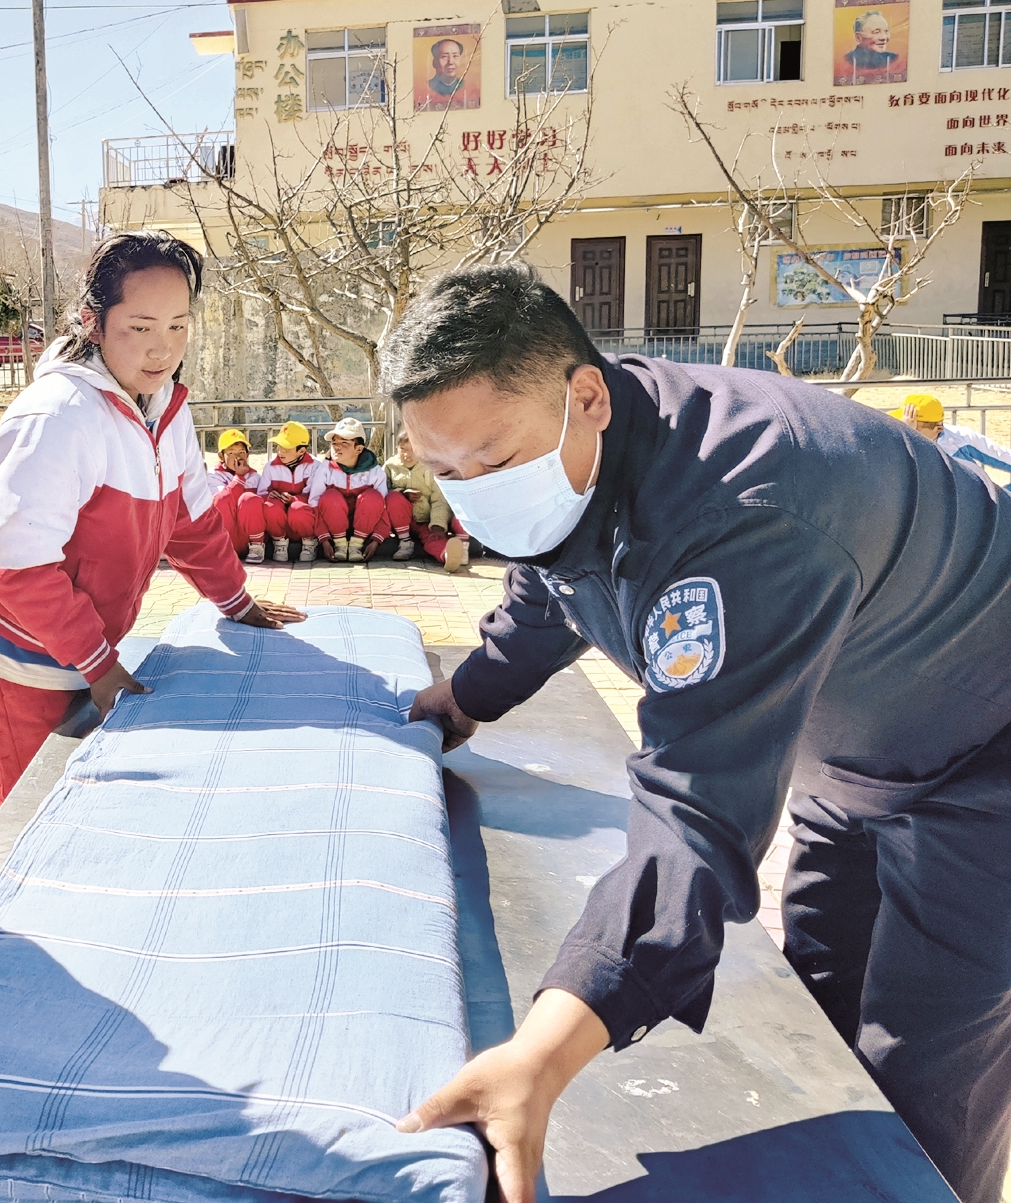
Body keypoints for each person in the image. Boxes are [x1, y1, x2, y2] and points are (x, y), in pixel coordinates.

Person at [386, 263, 1011, 1203]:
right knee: (821, 1016)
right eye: (445, 472)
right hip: (851, 746)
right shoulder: (587, 447)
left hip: (987, 757)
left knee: (921, 1077)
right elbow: (554, 578)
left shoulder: (744, 510)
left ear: (585, 396)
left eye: (492, 459)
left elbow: (694, 813)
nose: (475, 492)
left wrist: (541, 1057)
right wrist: (468, 697)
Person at [0, 230, 305, 801]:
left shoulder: (163, 405)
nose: (162, 350)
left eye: (178, 327)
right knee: (37, 813)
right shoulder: (55, 417)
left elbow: (189, 520)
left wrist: (236, 602)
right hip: (15, 654)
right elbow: (19, 568)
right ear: (93, 321)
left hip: (84, 648)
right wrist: (98, 663)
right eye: (140, 328)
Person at [307, 417, 408, 563]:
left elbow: (383, 508)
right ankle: (340, 545)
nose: (337, 447)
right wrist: (324, 540)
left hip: (364, 531)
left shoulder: (375, 472)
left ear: (358, 449)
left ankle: (356, 546)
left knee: (373, 496)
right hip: (334, 532)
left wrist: (376, 541)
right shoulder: (325, 469)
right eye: (334, 443)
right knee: (330, 496)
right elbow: (314, 504)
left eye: (344, 443)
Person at [385, 427, 468, 571]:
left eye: (412, 450)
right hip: (400, 521)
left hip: (426, 520)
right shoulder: (390, 466)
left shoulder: (429, 468)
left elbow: (439, 499)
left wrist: (437, 523)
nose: (407, 455)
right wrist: (402, 493)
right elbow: (382, 491)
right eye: (403, 449)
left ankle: (447, 556)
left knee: (433, 539)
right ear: (396, 448)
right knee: (394, 498)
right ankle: (405, 543)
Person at [897, 391, 1011, 482]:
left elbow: (999, 455)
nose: (908, 432)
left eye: (914, 429)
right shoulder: (902, 439)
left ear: (938, 429)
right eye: (904, 424)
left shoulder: (961, 439)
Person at [255, 420, 320, 562]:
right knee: (270, 506)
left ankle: (309, 541)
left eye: (287, 447)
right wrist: (269, 496)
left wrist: (293, 500)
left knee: (298, 508)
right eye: (279, 446)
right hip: (280, 522)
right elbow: (261, 494)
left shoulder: (315, 466)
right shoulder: (270, 467)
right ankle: (279, 542)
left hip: (301, 519)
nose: (280, 451)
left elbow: (315, 496)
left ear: (301, 451)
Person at [207, 428, 267, 563]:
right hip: (227, 536)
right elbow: (221, 501)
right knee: (222, 498)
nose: (237, 457)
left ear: (247, 454)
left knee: (249, 498)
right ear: (221, 456)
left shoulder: (255, 477)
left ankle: (257, 547)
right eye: (231, 453)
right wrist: (239, 478)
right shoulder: (213, 476)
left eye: (241, 452)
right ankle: (222, 549)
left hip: (249, 537)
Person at [841, 8, 899, 82]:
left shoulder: (893, 58)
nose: (884, 37)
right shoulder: (847, 60)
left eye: (886, 31)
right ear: (858, 37)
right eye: (876, 32)